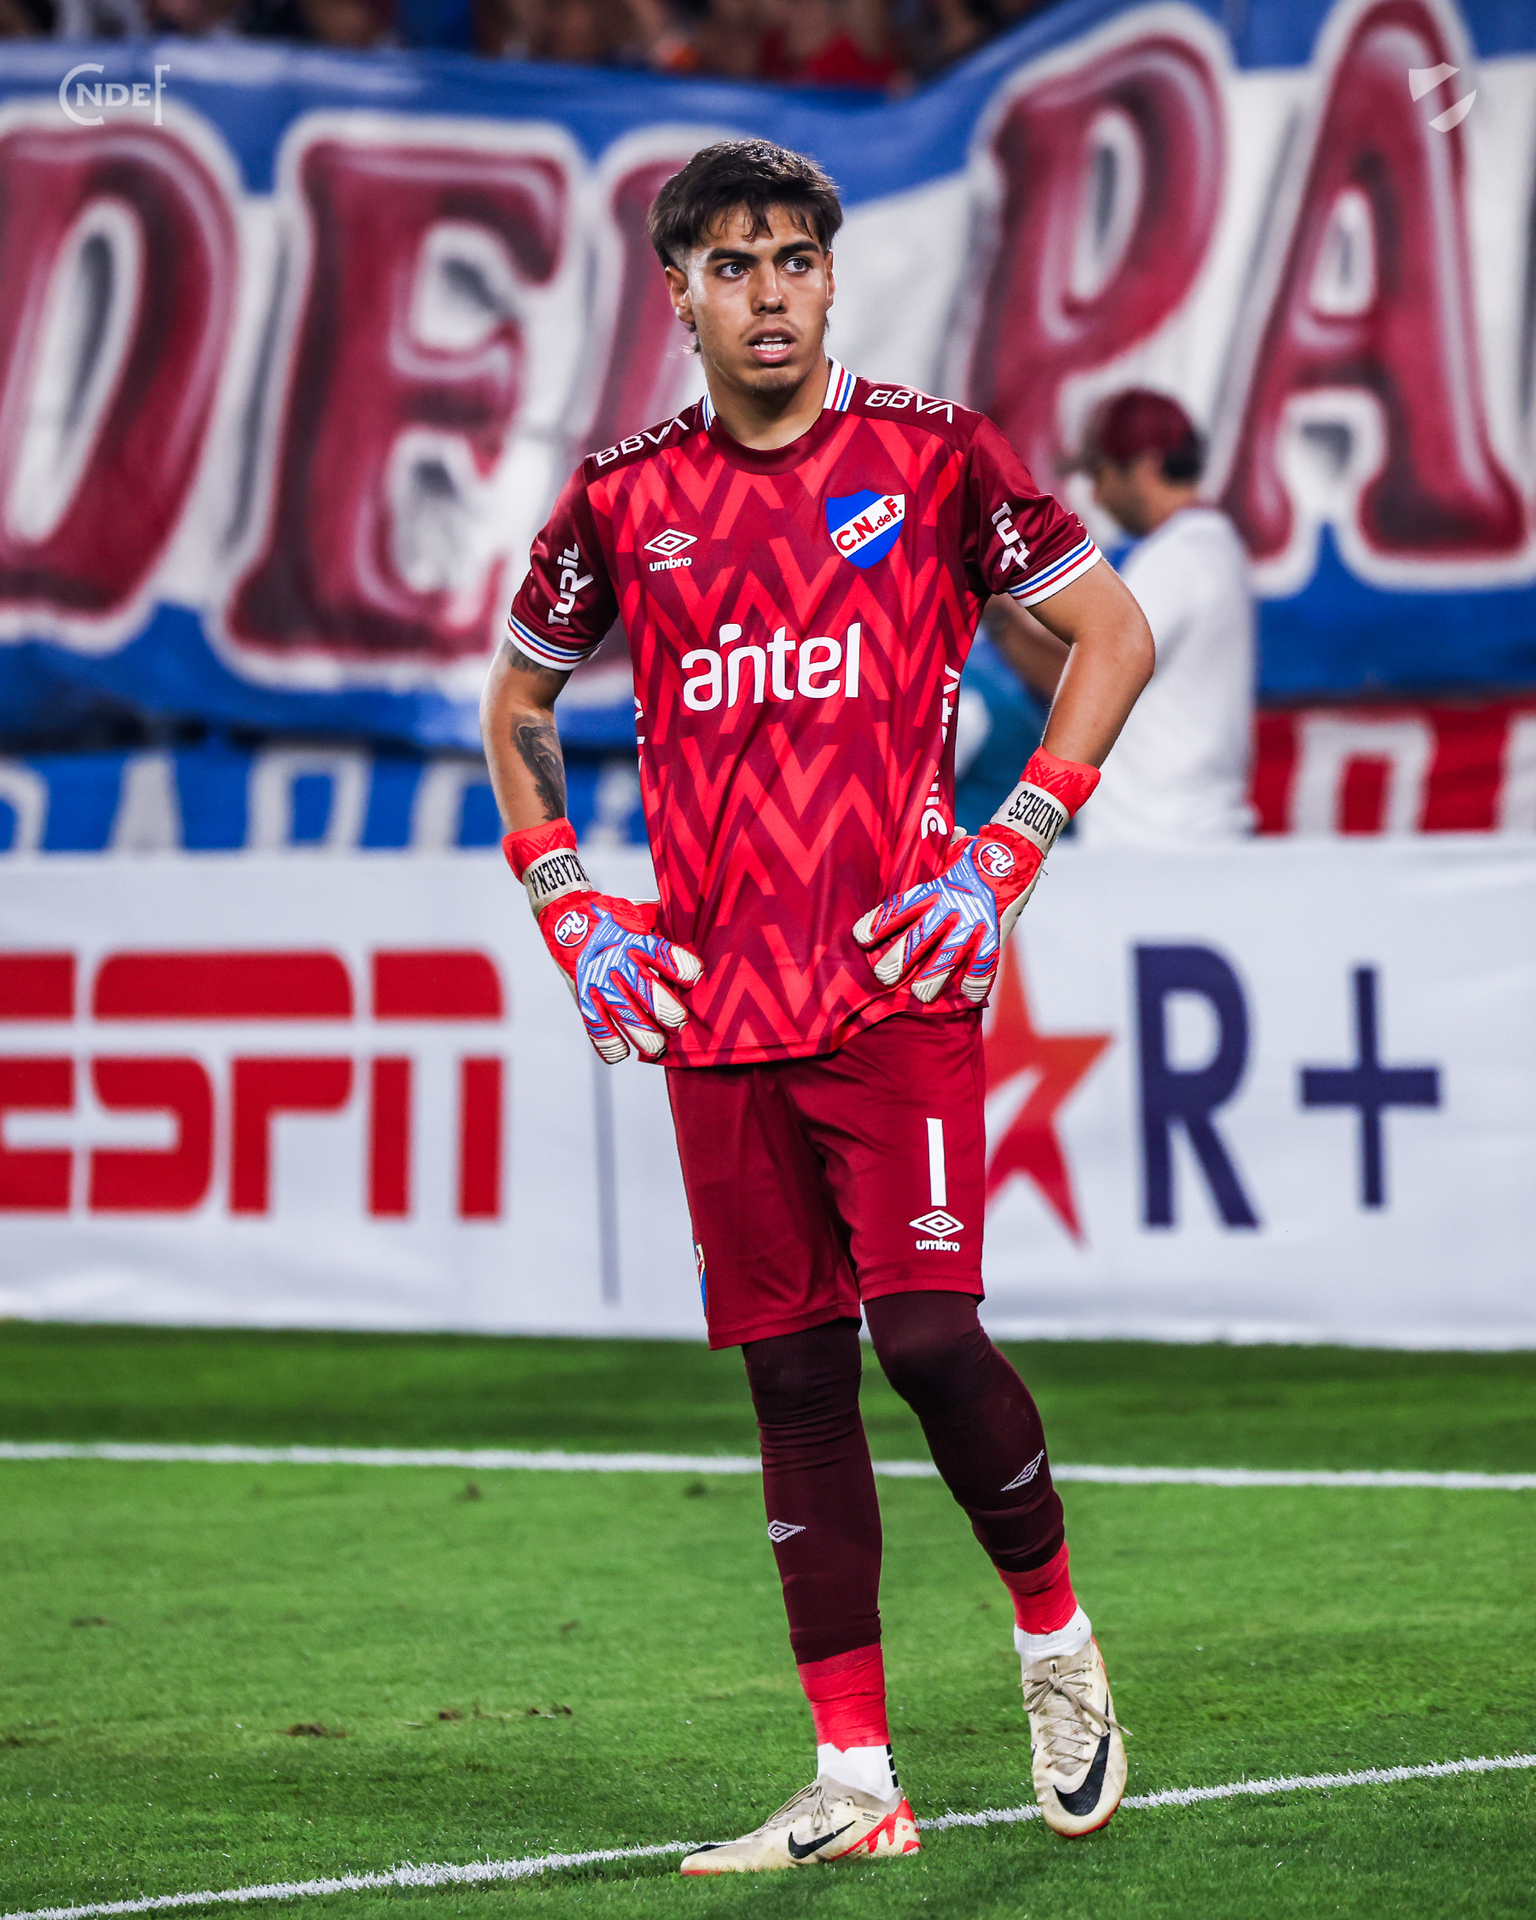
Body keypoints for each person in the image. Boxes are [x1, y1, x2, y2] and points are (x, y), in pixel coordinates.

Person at [480, 140, 1153, 1874]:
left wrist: (1009, 848)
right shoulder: (621, 498)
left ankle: (1055, 1641)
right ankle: (855, 1777)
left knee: (921, 1340)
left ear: (830, 278)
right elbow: (519, 705)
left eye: (793, 258)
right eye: (732, 265)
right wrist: (568, 905)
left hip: (894, 982)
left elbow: (1114, 637)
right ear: (680, 294)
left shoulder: (935, 457)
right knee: (792, 1382)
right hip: (714, 1006)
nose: (768, 292)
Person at [992, 387, 1255, 847]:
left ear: (1146, 467)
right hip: (1184, 837)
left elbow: (1081, 682)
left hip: (1157, 844)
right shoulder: (1211, 545)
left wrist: (996, 618)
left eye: (1100, 472)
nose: (1095, 493)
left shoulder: (1177, 556)